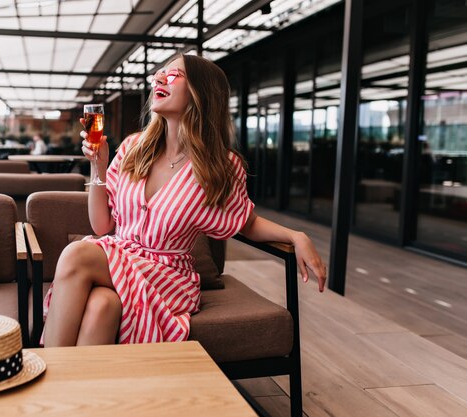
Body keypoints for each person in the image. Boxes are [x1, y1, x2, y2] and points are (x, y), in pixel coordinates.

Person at [42, 54, 326, 347]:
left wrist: (295, 235)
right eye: (159, 74)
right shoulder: (133, 148)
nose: (159, 79)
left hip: (168, 274)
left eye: (174, 75)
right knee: (102, 305)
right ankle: (83, 392)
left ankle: (45, 376)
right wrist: (98, 166)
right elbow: (102, 226)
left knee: (77, 254)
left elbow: (247, 221)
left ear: (200, 94)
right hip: (122, 260)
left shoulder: (221, 166)